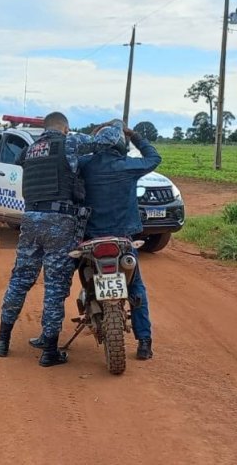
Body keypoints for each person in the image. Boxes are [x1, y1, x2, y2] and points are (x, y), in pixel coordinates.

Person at [0, 111, 92, 367]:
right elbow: (105, 142)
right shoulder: (69, 142)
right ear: (65, 128)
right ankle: (49, 351)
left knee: (20, 280)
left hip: (31, 219)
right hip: (59, 221)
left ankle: (2, 340)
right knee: (55, 286)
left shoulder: (31, 149)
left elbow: (18, 160)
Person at [78, 120, 161, 360]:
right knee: (136, 288)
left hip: (91, 236)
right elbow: (154, 157)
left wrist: (90, 138)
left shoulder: (84, 165)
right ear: (120, 145)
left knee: (68, 274)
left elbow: (71, 162)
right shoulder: (129, 166)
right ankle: (144, 341)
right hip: (122, 238)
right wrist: (134, 134)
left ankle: (51, 334)